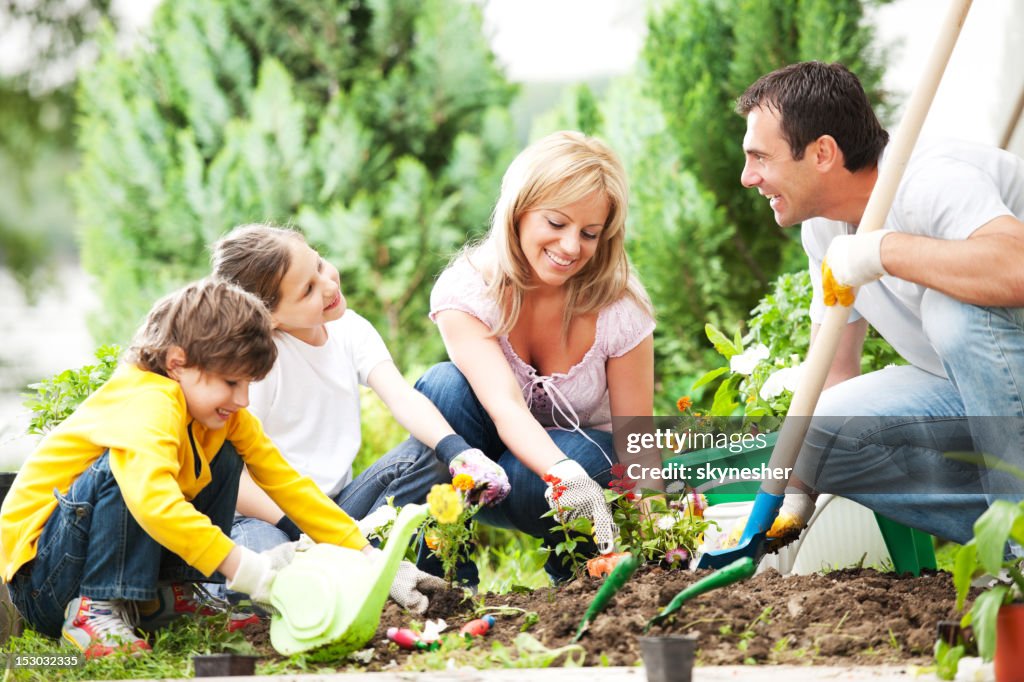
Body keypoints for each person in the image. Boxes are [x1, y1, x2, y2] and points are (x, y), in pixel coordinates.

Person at [0, 279, 371, 659]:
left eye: (248, 383)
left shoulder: (222, 415)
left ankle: (168, 596)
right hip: (47, 582)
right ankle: (96, 610)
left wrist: (364, 552)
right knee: (124, 470)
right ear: (177, 363)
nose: (242, 399)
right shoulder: (147, 400)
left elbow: (286, 481)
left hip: (82, 559)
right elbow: (153, 502)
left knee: (224, 456)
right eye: (231, 382)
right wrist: (243, 567)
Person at [735, 61, 1024, 544]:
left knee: (951, 313)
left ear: (822, 152)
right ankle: (1007, 537)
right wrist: (799, 485)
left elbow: (1015, 268)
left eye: (761, 157)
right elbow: (834, 366)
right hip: (970, 389)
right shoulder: (823, 228)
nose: (748, 177)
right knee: (823, 434)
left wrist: (881, 251)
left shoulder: (929, 179)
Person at [211, 225, 510, 603]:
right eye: (306, 289)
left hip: (340, 509)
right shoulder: (260, 364)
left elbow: (401, 396)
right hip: (269, 517)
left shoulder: (349, 329)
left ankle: (380, 565)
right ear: (268, 316)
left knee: (431, 457)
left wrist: (458, 452)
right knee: (263, 585)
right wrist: (304, 534)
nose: (328, 285)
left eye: (319, 264)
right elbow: (235, 480)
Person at [413, 130, 663, 582]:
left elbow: (635, 434)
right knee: (441, 388)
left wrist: (658, 532)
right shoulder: (469, 290)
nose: (571, 247)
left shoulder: (618, 306)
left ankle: (581, 578)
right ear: (519, 211)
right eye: (556, 223)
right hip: (487, 478)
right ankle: (439, 576)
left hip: (574, 482)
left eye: (589, 233)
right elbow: (505, 406)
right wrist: (562, 472)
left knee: (587, 460)